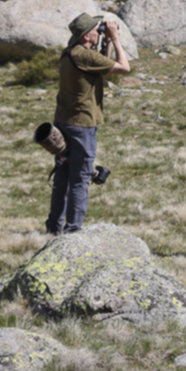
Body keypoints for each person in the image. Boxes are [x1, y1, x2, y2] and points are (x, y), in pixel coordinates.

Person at [46, 13, 130, 234]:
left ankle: (54, 227)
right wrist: (116, 39)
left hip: (64, 122)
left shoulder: (70, 53)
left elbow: (103, 66)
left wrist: (107, 42)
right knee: (81, 177)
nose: (98, 33)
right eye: (95, 30)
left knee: (62, 176)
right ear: (85, 36)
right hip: (82, 126)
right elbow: (123, 67)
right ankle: (74, 230)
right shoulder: (84, 56)